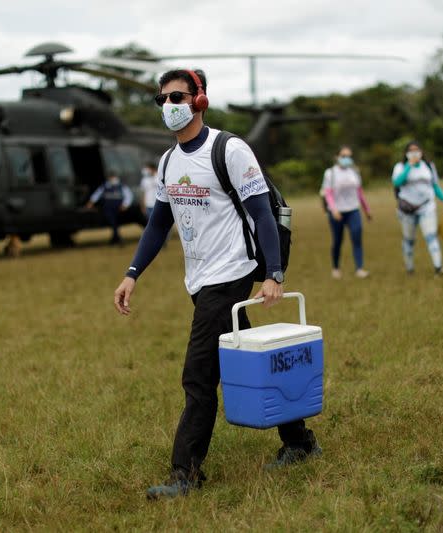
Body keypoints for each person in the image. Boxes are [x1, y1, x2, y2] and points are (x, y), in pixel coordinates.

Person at [113, 69, 321, 500]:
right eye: (163, 99)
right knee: (245, 357)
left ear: (199, 99)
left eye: (177, 96)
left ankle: (184, 474)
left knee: (198, 375)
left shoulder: (228, 149)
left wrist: (273, 274)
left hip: (232, 274)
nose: (170, 105)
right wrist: (132, 274)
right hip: (200, 278)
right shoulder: (169, 161)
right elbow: (158, 224)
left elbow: (263, 214)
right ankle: (299, 442)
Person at [391, 141, 443, 276]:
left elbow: (434, 185)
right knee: (409, 239)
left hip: (427, 207)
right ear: (406, 153)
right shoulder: (400, 167)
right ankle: (410, 268)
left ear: (422, 151)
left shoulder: (428, 166)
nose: (414, 153)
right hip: (407, 209)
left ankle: (438, 267)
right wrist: (409, 166)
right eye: (411, 150)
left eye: (417, 150)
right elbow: (397, 182)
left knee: (431, 237)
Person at [322, 146, 372, 279]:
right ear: (337, 157)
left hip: (353, 210)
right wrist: (334, 209)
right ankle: (336, 267)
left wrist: (367, 210)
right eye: (343, 156)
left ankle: (359, 268)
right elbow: (328, 194)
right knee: (338, 240)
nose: (346, 159)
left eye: (349, 156)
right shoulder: (330, 173)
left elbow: (359, 192)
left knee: (357, 238)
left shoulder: (354, 171)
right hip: (337, 213)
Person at [86, 171, 133, 244]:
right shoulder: (105, 186)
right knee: (112, 222)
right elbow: (97, 194)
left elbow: (128, 195)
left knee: (115, 222)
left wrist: (125, 205)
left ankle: (115, 237)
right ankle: (116, 237)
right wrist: (91, 202)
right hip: (108, 207)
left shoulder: (121, 186)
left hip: (118, 207)